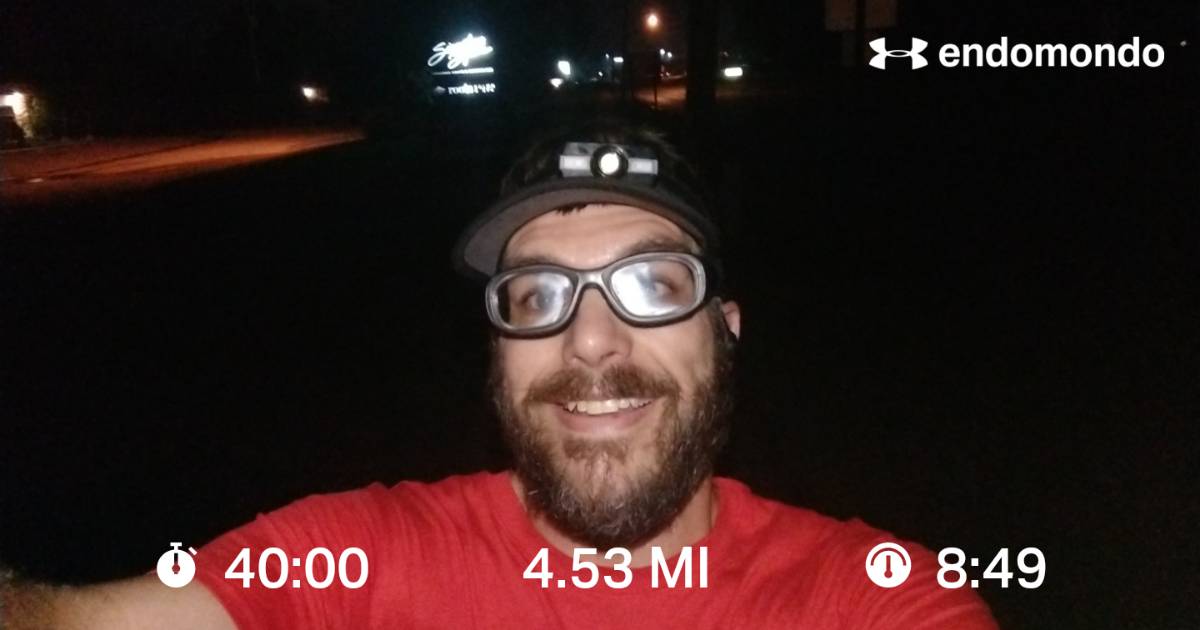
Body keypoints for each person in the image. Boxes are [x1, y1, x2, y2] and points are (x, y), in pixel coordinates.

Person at [0, 121, 997, 629]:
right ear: (496, 355)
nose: (592, 342)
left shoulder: (872, 597)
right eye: (536, 297)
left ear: (725, 331)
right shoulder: (364, 560)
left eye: (652, 285)